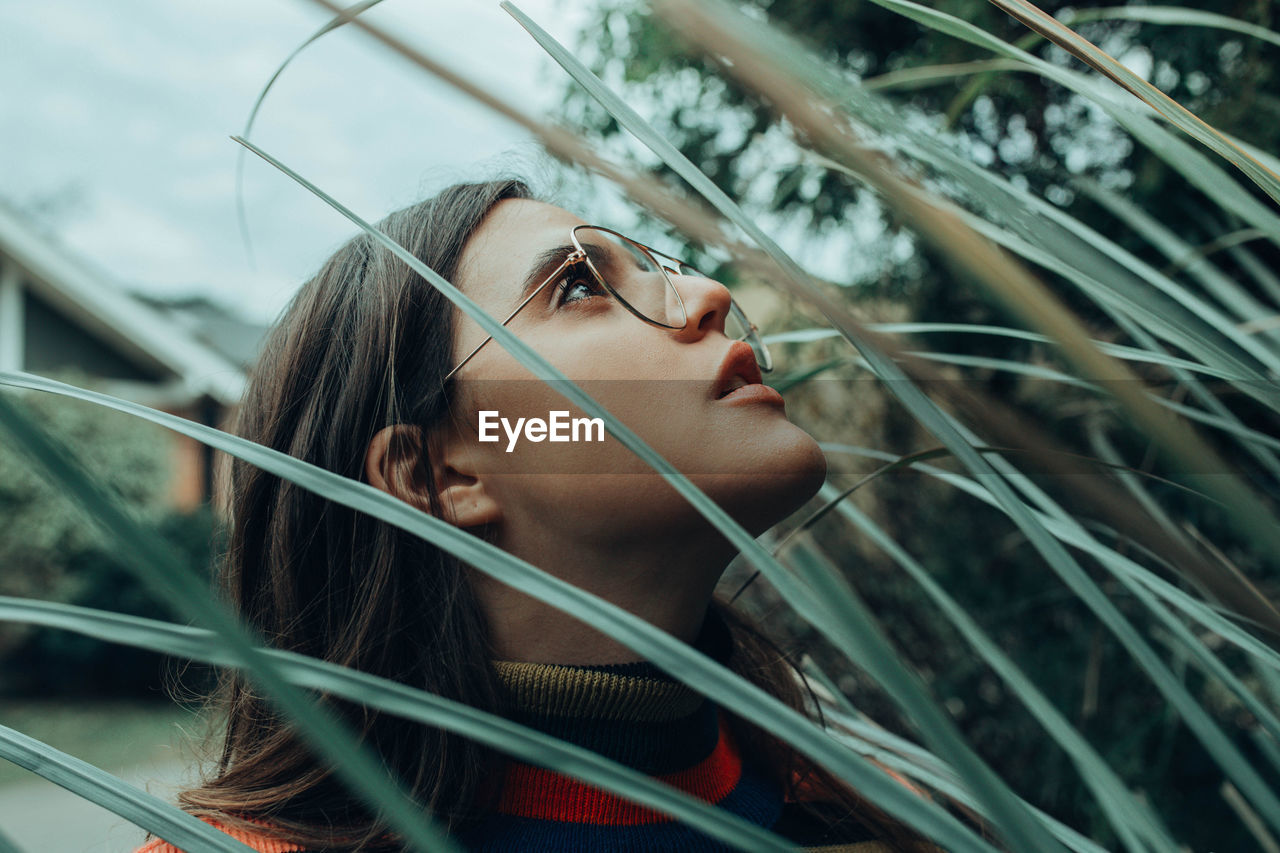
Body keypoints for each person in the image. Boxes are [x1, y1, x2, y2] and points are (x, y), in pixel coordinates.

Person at [135, 179, 944, 852]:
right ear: (439, 472)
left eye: (658, 265)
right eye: (581, 286)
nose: (707, 294)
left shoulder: (870, 811)